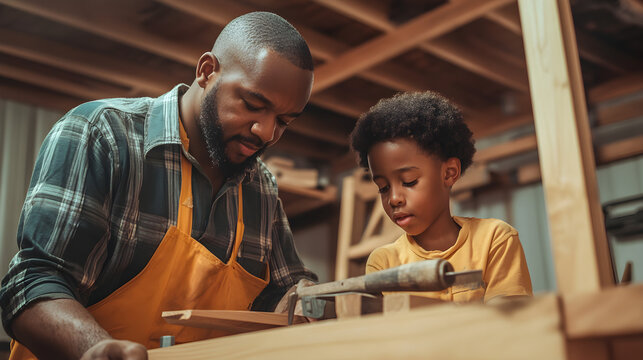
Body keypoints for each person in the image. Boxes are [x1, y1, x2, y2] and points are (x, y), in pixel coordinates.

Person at [0, 11, 317, 360]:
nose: (267, 132)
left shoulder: (262, 190)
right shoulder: (103, 135)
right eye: (253, 105)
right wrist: (93, 348)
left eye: (284, 122)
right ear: (207, 71)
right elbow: (32, 284)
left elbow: (286, 296)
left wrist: (309, 299)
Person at [350, 91, 532, 303]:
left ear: (449, 173)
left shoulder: (495, 239)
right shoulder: (384, 263)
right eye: (383, 187)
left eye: (409, 181)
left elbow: (511, 325)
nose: (394, 198)